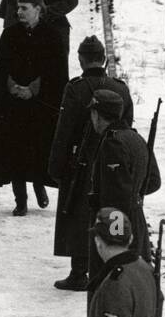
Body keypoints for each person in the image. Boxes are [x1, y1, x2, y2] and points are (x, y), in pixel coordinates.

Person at [48, 37, 134, 291]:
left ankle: (78, 272)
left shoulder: (75, 89)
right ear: (104, 58)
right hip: (114, 160)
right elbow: (128, 125)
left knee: (78, 214)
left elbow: (63, 132)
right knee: (111, 208)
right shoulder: (121, 88)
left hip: (81, 165)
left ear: (81, 60)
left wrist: (56, 167)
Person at [0, 0, 69, 215]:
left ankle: (38, 184)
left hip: (41, 106)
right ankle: (20, 200)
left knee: (38, 148)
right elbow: (2, 69)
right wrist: (13, 87)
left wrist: (33, 90)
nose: (19, 12)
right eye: (18, 7)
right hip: (14, 104)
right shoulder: (10, 35)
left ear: (38, 9)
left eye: (24, 8)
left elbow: (57, 72)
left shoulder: (52, 36)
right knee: (16, 150)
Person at [86, 89, 161, 275]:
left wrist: (113, 243)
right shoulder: (135, 138)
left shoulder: (112, 143)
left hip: (116, 226)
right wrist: (136, 194)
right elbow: (153, 181)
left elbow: (116, 199)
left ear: (97, 114)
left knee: (113, 286)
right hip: (135, 221)